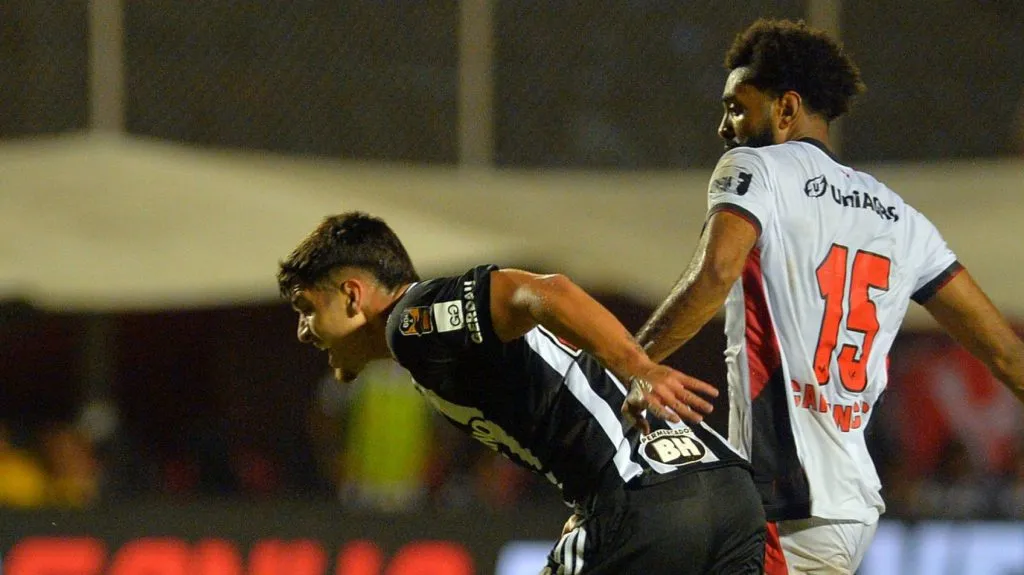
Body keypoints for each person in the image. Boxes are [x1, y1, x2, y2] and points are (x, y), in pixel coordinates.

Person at [635, 18, 1024, 575]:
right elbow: (1007, 354)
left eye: (738, 107)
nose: (725, 126)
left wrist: (626, 359)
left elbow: (714, 274)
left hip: (784, 500)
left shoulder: (756, 168)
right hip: (851, 505)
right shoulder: (902, 218)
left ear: (786, 109)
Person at [277, 212, 765, 574]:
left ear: (352, 295)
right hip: (727, 495)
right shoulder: (430, 347)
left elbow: (543, 291)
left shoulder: (412, 321)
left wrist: (640, 366)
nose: (303, 331)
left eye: (305, 308)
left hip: (644, 498)